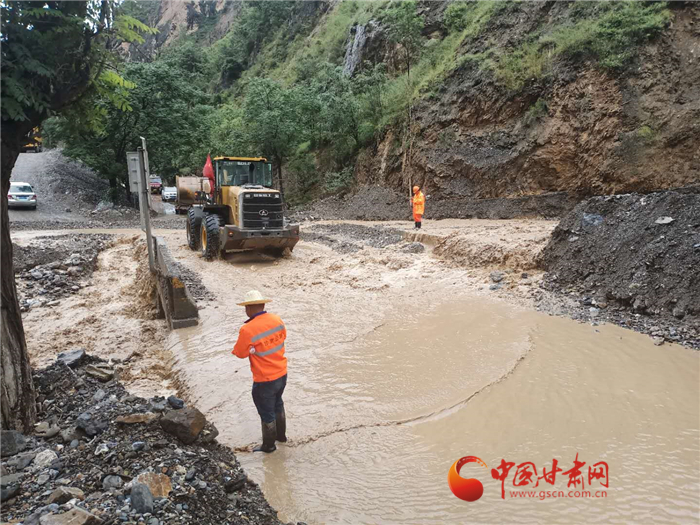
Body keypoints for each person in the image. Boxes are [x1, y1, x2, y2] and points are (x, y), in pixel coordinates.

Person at [232, 290, 288, 453]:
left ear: (248, 308)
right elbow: (282, 337)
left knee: (266, 412)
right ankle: (281, 437)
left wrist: (251, 350)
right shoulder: (277, 319)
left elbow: (240, 353)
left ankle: (269, 446)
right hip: (282, 373)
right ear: (263, 305)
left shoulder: (247, 329)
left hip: (264, 379)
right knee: (278, 404)